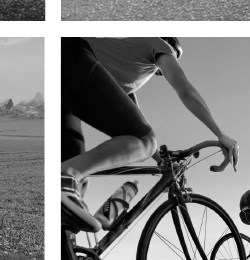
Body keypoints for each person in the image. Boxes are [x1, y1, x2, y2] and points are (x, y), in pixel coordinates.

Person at [58, 33, 238, 231]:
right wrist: (220, 134)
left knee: (73, 189)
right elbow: (185, 91)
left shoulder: (119, 59)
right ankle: (66, 177)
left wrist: (160, 160)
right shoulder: (159, 44)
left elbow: (136, 127)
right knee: (69, 175)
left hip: (62, 68)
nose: (159, 72)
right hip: (72, 56)